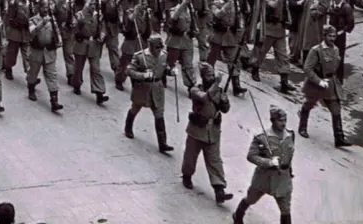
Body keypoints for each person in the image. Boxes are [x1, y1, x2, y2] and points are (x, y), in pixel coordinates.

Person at [181, 62, 233, 205]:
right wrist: (216, 84)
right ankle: (187, 176)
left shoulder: (219, 90)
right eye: (208, 75)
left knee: (215, 161)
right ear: (203, 77)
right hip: (197, 129)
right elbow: (204, 98)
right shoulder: (195, 90)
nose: (211, 78)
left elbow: (225, 109)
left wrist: (224, 101)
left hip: (213, 131)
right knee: (190, 157)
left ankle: (219, 190)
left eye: (212, 75)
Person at [232, 106, 294, 224]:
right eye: (280, 120)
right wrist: (268, 162)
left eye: (285, 120)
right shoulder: (262, 137)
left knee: (285, 209)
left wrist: (289, 172)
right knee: (250, 199)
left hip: (283, 179)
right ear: (273, 121)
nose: (283, 123)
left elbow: (290, 156)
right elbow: (251, 156)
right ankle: (238, 216)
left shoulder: (290, 136)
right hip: (264, 178)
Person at [298, 25, 352, 147]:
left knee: (336, 108)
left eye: (334, 36)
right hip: (316, 85)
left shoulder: (336, 50)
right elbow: (307, 68)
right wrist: (318, 81)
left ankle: (339, 138)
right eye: (330, 36)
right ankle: (302, 127)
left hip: (330, 84)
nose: (332, 39)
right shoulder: (316, 50)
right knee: (309, 104)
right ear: (324, 36)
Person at [123, 34, 174, 153]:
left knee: (159, 114)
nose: (159, 50)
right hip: (143, 88)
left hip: (157, 88)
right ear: (150, 46)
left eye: (160, 47)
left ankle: (163, 143)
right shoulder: (140, 56)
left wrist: (171, 72)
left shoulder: (164, 55)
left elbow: (164, 68)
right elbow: (129, 70)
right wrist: (143, 75)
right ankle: (128, 127)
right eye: (157, 47)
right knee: (135, 108)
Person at [26, 0, 64, 112]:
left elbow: (56, 31)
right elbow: (31, 32)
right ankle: (31, 88)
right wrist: (42, 23)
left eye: (47, 7)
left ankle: (54, 100)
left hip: (49, 51)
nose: (46, 9)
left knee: (52, 75)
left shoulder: (52, 19)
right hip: (36, 51)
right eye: (44, 7)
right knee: (33, 73)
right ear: (39, 8)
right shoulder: (33, 20)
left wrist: (59, 40)